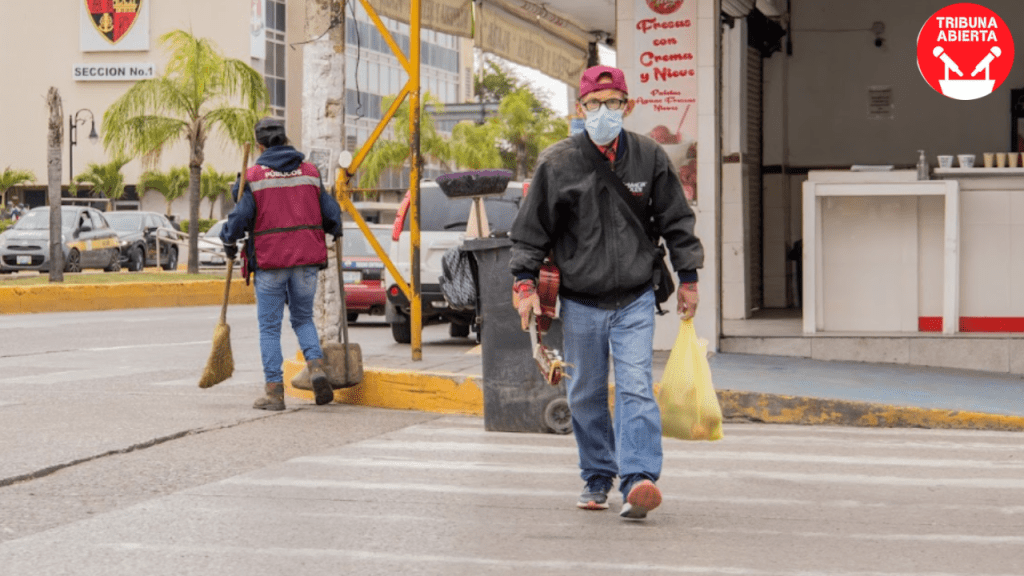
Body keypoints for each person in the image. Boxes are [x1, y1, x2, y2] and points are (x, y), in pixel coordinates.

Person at [508, 65, 704, 520]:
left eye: (613, 103)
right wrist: (524, 286)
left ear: (628, 106)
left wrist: (689, 279)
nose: (603, 112)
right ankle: (598, 474)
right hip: (580, 300)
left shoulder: (650, 157)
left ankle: (638, 479)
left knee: (636, 387)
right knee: (585, 394)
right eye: (594, 104)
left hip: (635, 296)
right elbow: (530, 233)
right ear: (580, 108)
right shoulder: (556, 163)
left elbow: (677, 220)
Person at [220, 117, 344, 410]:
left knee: (270, 328)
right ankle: (316, 368)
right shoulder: (311, 172)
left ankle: (274, 392)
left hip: (270, 261)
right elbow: (331, 212)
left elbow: (240, 218)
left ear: (260, 145)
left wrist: (228, 239)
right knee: (303, 319)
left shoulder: (253, 176)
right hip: (306, 261)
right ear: (285, 140)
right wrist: (335, 227)